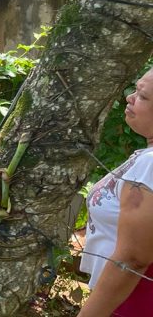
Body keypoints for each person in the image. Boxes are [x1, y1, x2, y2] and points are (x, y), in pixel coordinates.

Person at [79, 68, 153, 316]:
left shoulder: (151, 164)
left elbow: (132, 259)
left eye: (142, 96)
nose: (129, 98)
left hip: (133, 303)